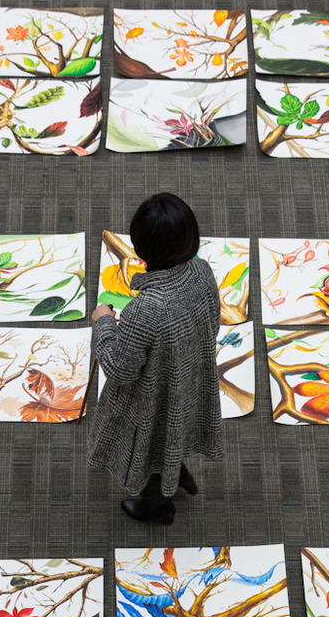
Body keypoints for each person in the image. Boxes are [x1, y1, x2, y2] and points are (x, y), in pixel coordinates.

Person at [88, 193, 226, 524]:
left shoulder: (144, 310)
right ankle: (178, 475)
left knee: (151, 448)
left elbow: (120, 371)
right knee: (173, 436)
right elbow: (214, 320)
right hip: (193, 381)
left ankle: (158, 507)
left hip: (153, 402)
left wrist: (104, 323)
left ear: (143, 249)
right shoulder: (201, 271)